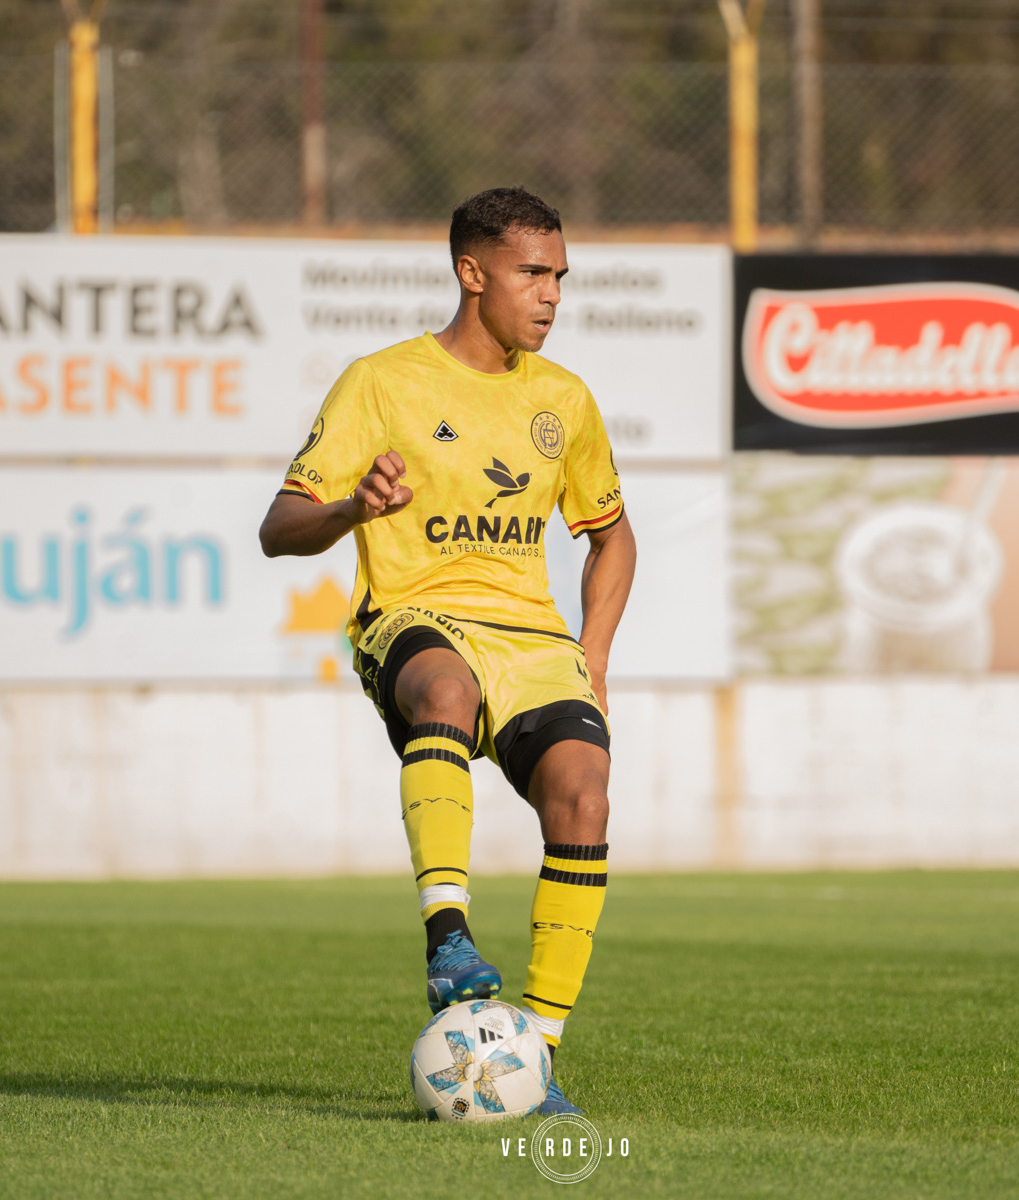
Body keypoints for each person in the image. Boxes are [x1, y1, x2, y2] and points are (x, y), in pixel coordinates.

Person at [260, 187, 636, 1116]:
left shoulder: (565, 400)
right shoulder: (381, 382)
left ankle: (536, 1058)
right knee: (446, 689)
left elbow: (615, 535)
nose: (552, 295)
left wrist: (591, 655)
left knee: (585, 787)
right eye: (532, 274)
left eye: (560, 277)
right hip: (414, 614)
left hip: (534, 638)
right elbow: (280, 527)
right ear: (473, 274)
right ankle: (448, 938)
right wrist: (354, 507)